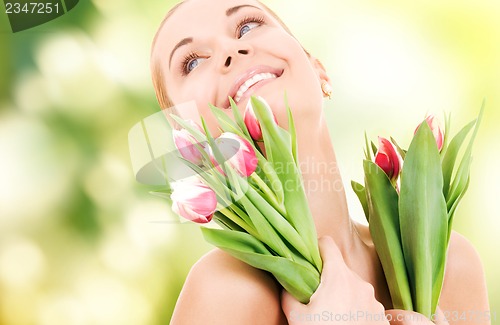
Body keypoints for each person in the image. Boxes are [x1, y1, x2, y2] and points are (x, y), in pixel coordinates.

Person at [150, 0, 490, 324]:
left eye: (247, 26)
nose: (229, 51)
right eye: (192, 62)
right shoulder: (225, 291)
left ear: (317, 68)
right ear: (189, 141)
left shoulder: (451, 265)